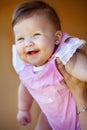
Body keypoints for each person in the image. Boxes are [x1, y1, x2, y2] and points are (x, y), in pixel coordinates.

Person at [11, 0, 87, 130]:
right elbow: (26, 85)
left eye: (36, 35)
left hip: (79, 120)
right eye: (21, 39)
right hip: (52, 119)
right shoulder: (25, 68)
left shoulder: (62, 57)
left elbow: (82, 70)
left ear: (57, 38)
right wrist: (23, 109)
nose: (27, 43)